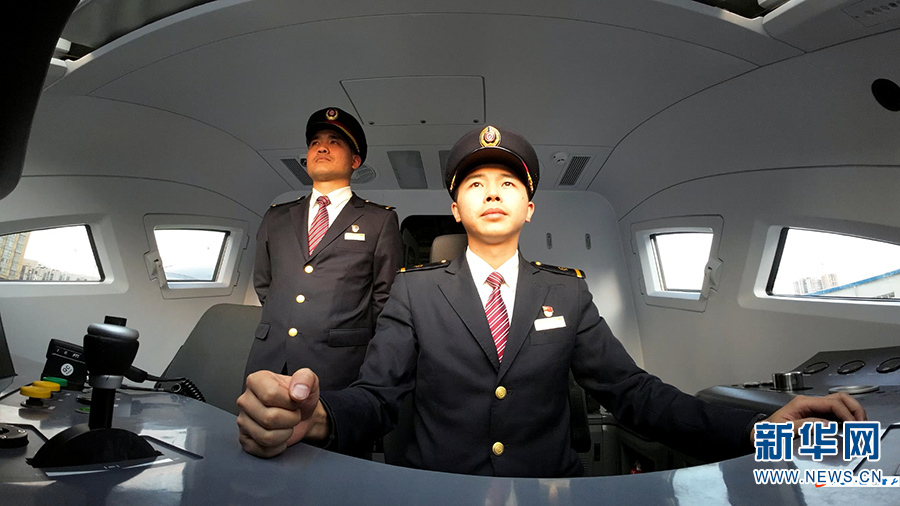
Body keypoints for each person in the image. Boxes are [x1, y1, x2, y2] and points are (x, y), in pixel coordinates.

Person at [237, 125, 865, 477]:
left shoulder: (567, 291)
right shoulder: (414, 290)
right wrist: (317, 418)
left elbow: (634, 394)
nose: (492, 193)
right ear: (456, 208)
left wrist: (761, 429)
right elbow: (378, 397)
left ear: (530, 207)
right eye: (475, 184)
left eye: (508, 183)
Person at [244, 107, 403, 391]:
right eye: (315, 142)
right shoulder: (276, 217)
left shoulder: (379, 220)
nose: (322, 148)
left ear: (355, 160)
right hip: (271, 358)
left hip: (339, 364)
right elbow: (264, 284)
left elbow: (384, 297)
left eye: (334, 142)